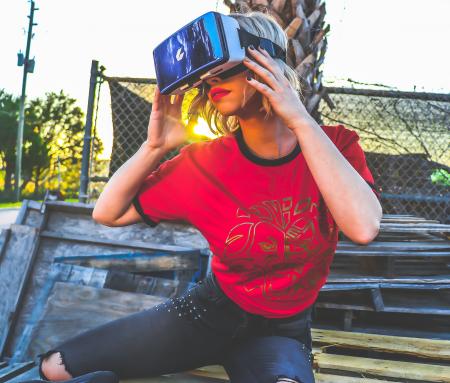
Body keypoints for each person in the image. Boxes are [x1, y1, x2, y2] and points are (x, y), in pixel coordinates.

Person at [31, 10, 382, 383]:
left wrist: (299, 119)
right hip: (206, 313)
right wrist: (155, 146)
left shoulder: (337, 146)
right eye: (207, 73)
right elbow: (108, 213)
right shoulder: (204, 163)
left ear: (267, 63)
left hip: (278, 331)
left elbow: (362, 227)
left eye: (226, 65)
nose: (214, 79)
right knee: (56, 369)